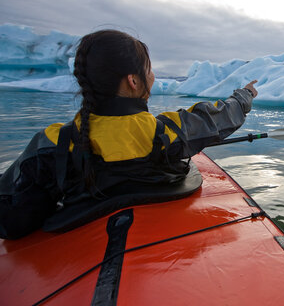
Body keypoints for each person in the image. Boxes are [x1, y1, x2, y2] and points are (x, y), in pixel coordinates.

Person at [0, 29, 258, 240]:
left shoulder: (52, 141)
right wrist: (244, 95)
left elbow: (11, 217)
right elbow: (217, 117)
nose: (153, 76)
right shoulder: (167, 131)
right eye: (149, 69)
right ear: (133, 81)